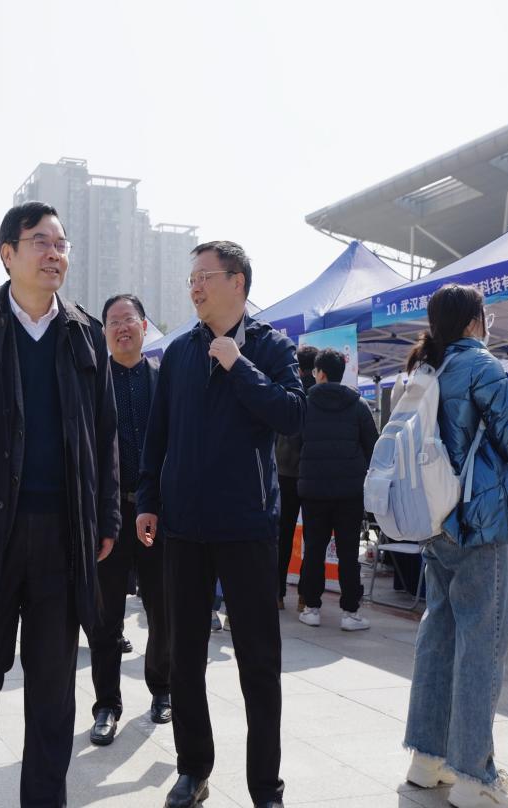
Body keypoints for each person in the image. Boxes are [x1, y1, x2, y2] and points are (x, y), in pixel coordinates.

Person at [0, 201, 119, 807]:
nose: (54, 253)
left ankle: (44, 798)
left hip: (63, 535)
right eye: (41, 241)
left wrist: (107, 515)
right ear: (8, 253)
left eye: (61, 243)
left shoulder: (84, 332)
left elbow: (106, 433)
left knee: (53, 683)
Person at [137, 240, 303, 808]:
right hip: (183, 527)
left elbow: (291, 414)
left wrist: (238, 364)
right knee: (185, 657)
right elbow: (157, 434)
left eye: (204, 277)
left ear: (238, 282)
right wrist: (148, 499)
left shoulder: (271, 347)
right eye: (191, 279)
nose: (195, 287)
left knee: (259, 663)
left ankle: (265, 787)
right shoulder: (180, 353)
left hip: (247, 526)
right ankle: (193, 769)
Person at [401, 284, 508, 808]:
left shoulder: (429, 367)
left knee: (439, 635)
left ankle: (427, 759)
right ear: (475, 320)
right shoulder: (481, 365)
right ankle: (475, 775)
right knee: (482, 645)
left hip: (434, 518)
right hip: (478, 521)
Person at [87, 293, 170, 747]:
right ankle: (106, 705)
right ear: (104, 332)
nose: (122, 328)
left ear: (144, 326)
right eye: (113, 321)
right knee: (106, 618)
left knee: (162, 609)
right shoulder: (92, 383)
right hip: (110, 516)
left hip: (157, 513)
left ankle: (162, 688)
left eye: (129, 319)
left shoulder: (164, 381)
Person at [297, 348, 377, 631]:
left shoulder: (305, 404)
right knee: (348, 552)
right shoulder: (359, 405)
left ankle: (312, 608)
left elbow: (295, 443)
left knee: (314, 550)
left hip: (313, 491)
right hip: (349, 492)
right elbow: (373, 446)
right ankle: (350, 613)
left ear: (319, 373)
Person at [275, 344, 316, 612]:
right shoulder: (319, 395)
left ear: (298, 367)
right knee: (313, 538)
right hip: (311, 474)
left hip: (284, 472)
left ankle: (277, 594)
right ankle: (305, 597)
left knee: (283, 535)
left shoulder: (287, 391)